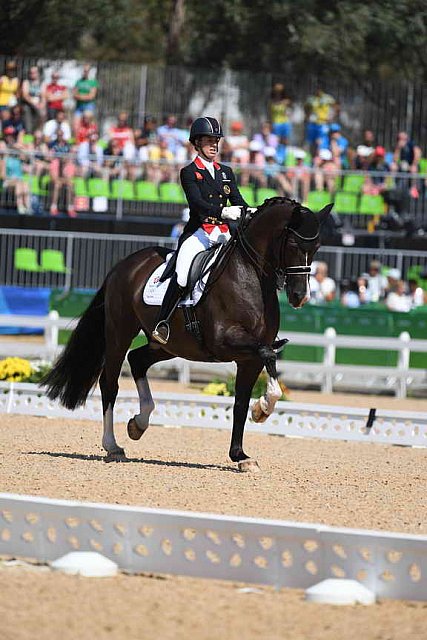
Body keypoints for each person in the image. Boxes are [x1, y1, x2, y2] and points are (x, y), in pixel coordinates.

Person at [152, 116, 248, 344]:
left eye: (216, 140)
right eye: (208, 140)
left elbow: (238, 200)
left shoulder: (226, 172)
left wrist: (250, 211)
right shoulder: (189, 172)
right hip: (199, 233)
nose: (214, 145)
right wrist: (224, 212)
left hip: (224, 233)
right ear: (196, 143)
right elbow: (198, 204)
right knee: (183, 273)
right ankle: (162, 323)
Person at [21, 66, 45, 133]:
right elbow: (25, 95)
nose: (32, 74)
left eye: (34, 72)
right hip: (28, 104)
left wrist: (42, 104)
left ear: (38, 73)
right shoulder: (26, 82)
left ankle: (37, 133)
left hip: (38, 104)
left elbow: (43, 96)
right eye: (31, 73)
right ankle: (29, 133)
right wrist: (34, 103)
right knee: (27, 115)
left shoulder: (42, 83)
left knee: (42, 114)